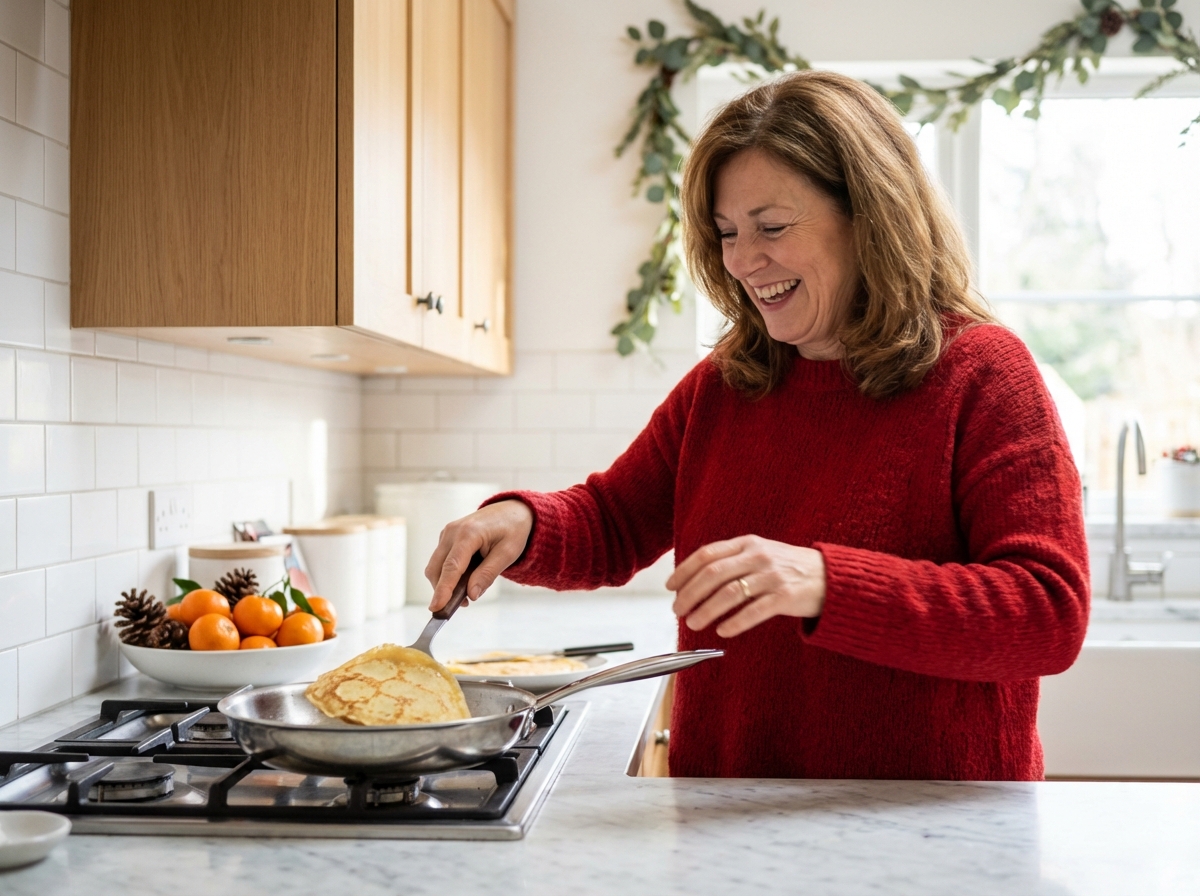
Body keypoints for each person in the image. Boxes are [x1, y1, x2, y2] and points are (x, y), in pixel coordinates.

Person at [425, 70, 1089, 780]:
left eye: (771, 227)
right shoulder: (728, 383)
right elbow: (614, 520)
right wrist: (521, 523)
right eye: (727, 233)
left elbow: (1046, 613)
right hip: (730, 822)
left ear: (871, 214)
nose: (743, 261)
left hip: (934, 837)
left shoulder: (983, 374)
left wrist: (826, 581)